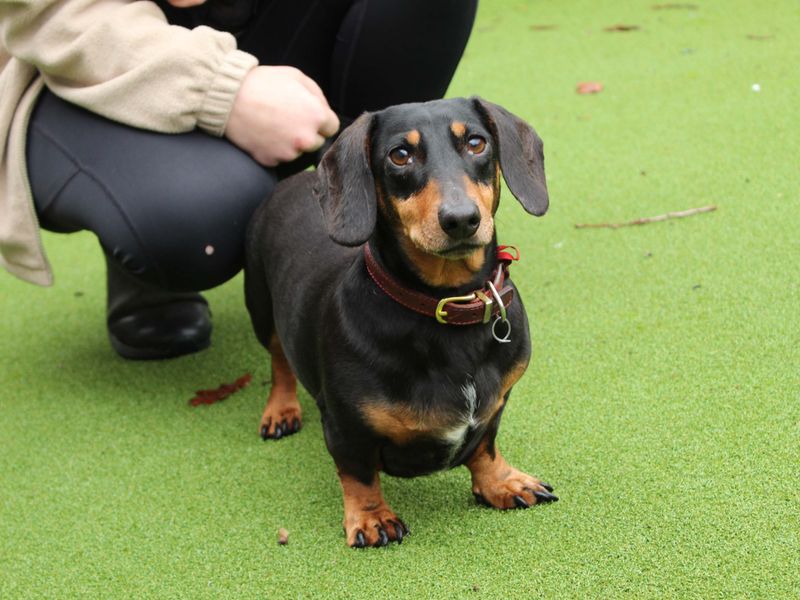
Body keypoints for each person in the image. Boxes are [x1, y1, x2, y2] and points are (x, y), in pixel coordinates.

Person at [0, 0, 477, 359]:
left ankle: (366, 241)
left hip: (265, 20)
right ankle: (146, 255)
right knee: (202, 219)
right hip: (78, 60)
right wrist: (223, 86)